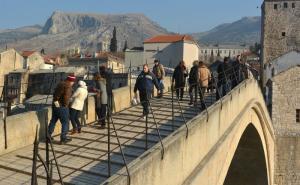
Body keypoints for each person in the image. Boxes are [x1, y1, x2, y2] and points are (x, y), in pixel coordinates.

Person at [48, 75, 75, 144]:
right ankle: (63, 138)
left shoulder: (60, 84)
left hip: (55, 104)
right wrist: (66, 105)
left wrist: (57, 104)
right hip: (62, 106)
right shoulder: (68, 86)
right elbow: (66, 97)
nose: (73, 83)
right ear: (70, 81)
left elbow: (55, 95)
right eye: (73, 81)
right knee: (65, 122)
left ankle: (48, 136)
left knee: (53, 121)